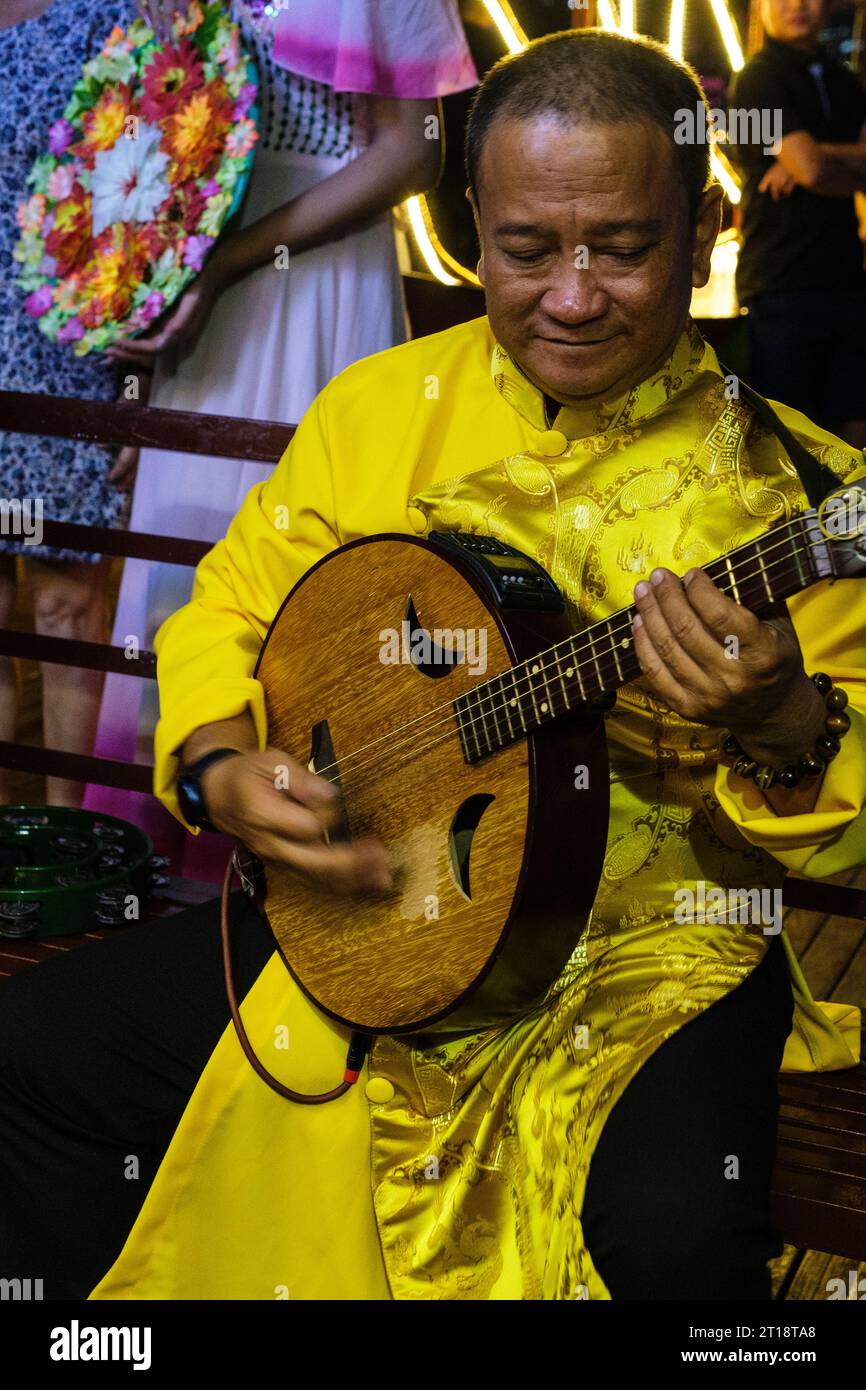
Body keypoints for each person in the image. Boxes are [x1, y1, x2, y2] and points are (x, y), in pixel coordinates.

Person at [2, 28, 866, 1302]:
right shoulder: (374, 406)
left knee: (676, 1246)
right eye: (524, 250)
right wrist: (216, 757)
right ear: (472, 232)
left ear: (697, 230)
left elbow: (844, 838)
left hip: (657, 946)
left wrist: (785, 721)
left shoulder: (801, 498)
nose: (570, 295)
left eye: (621, 247)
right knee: (28, 1056)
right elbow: (228, 607)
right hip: (364, 900)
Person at [84, 0, 477, 878]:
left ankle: (307, 853)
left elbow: (416, 150)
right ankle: (167, 853)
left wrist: (227, 263)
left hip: (313, 277)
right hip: (203, 286)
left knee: (309, 561)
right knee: (179, 565)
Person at [0, 0, 136, 807]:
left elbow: (166, 193)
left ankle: (68, 854)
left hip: (68, 337)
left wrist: (140, 382)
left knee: (60, 602)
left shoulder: (118, 12)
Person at [728, 0, 866, 447]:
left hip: (847, 275)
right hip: (780, 279)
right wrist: (815, 164)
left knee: (855, 425)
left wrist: (811, 156)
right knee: (789, 437)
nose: (796, 5)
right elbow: (811, 171)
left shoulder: (845, 79)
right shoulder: (760, 78)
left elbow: (810, 167)